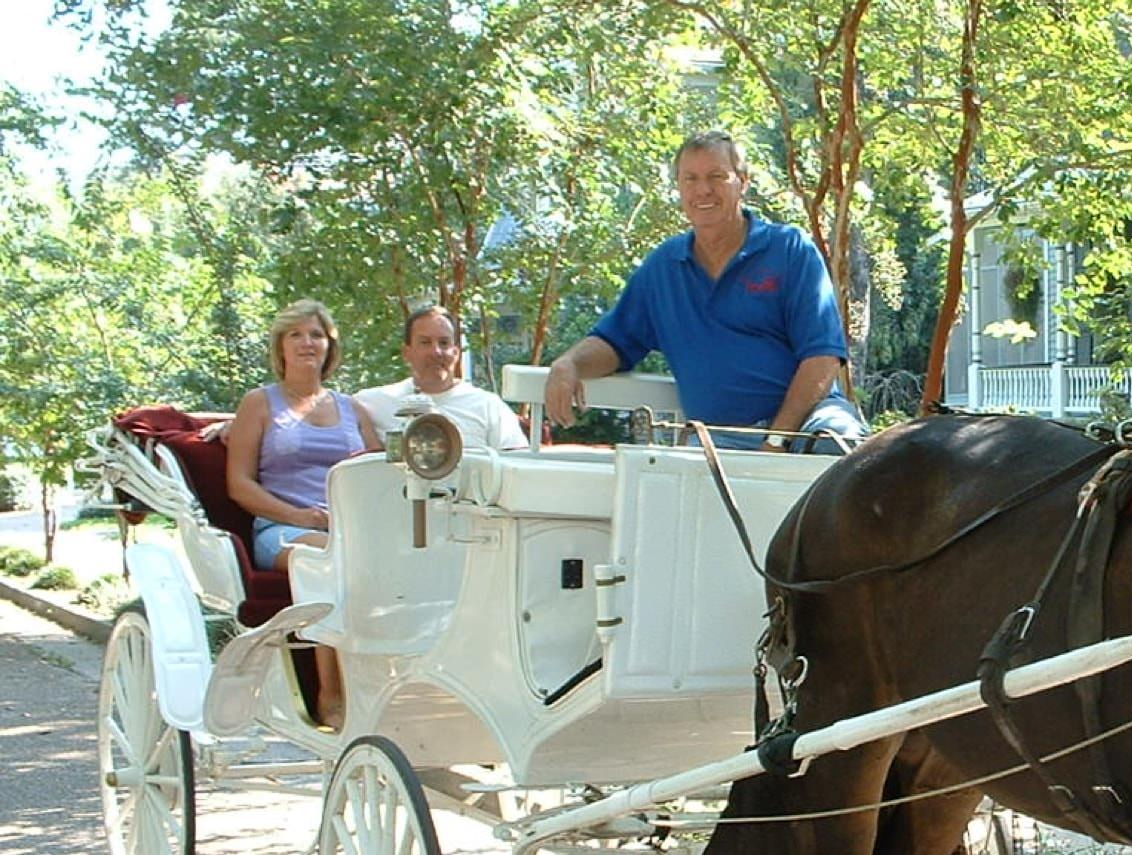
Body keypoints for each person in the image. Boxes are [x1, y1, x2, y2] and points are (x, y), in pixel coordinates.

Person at [544, 130, 865, 452]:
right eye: (691, 179)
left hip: (806, 424)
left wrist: (778, 438)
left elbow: (822, 357)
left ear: (743, 181)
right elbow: (615, 343)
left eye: (716, 176)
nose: (703, 190)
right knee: (676, 483)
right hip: (717, 437)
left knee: (843, 445)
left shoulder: (789, 249)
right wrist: (569, 363)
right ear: (679, 187)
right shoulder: (664, 267)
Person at [224, 299, 380, 729]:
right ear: (281, 348)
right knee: (331, 558)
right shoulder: (259, 404)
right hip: (282, 530)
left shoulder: (355, 410)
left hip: (348, 531)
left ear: (330, 346)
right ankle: (330, 694)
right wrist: (301, 516)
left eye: (316, 334)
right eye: (296, 335)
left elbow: (378, 477)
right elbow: (240, 486)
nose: (307, 342)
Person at [355, 306, 530, 450]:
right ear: (407, 352)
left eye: (444, 343)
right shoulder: (370, 404)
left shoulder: (488, 406)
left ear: (456, 353)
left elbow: (517, 467)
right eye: (425, 342)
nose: (436, 352)